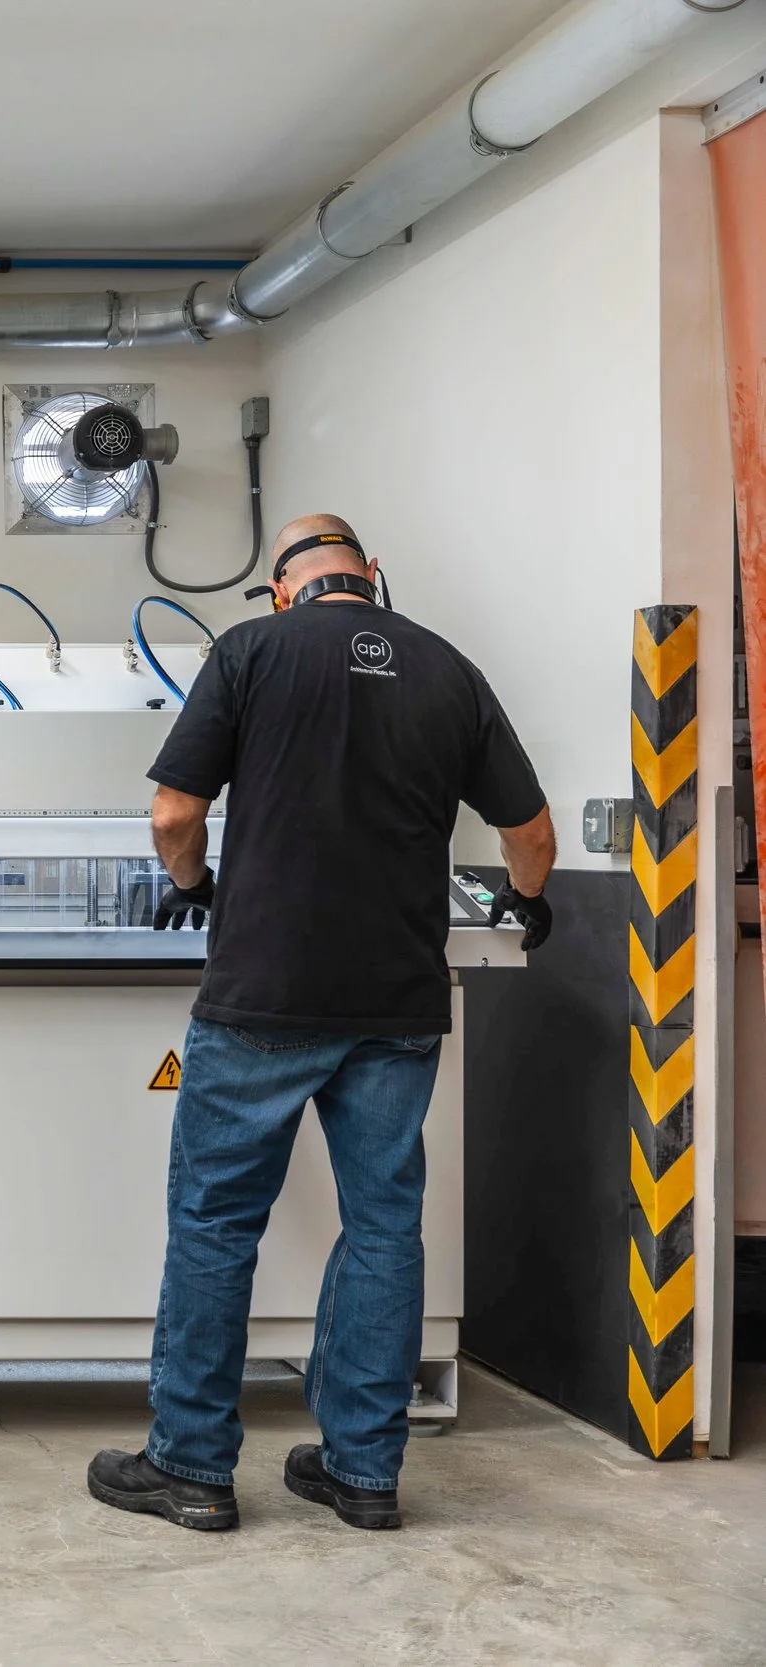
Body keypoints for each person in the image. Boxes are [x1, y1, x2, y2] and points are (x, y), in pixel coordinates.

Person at [86, 514, 556, 1532]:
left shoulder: (249, 650)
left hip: (263, 991)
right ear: (370, 576)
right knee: (384, 1227)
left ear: (279, 586)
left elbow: (174, 812)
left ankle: (191, 1467)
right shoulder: (446, 667)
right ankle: (362, 1470)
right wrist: (529, 903)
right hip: (394, 1001)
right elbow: (529, 833)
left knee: (217, 1221)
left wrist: (195, 882)